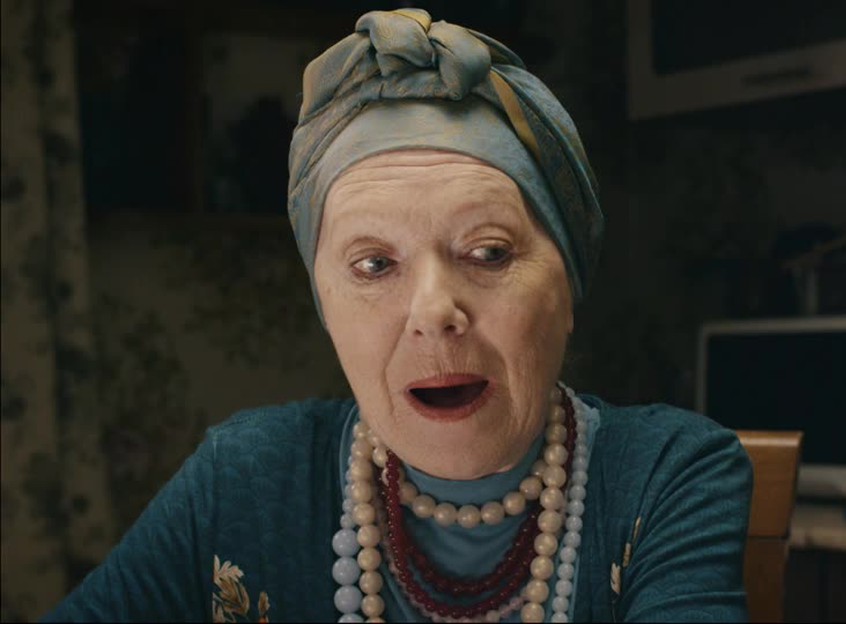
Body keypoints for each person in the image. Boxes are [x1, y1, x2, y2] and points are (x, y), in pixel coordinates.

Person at [44, 8, 752, 623]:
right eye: (375, 265)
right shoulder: (243, 479)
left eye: (489, 252)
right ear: (326, 307)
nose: (434, 312)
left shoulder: (667, 474)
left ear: (568, 286)